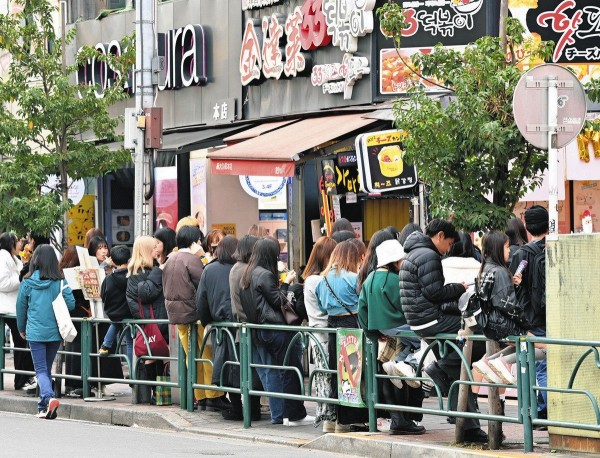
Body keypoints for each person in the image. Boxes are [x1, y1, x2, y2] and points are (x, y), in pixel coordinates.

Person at [399, 219, 488, 444]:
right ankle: (438, 370)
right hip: (429, 319)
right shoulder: (428, 255)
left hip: (419, 319)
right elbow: (435, 293)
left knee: (461, 366)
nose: (448, 249)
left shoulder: (413, 252)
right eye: (448, 243)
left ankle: (469, 426)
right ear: (439, 236)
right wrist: (459, 288)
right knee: (476, 336)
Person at [239, 237, 313, 426]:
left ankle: (284, 415)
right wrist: (288, 283)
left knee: (278, 371)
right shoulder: (264, 275)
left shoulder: (248, 273)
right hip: (276, 330)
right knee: (290, 370)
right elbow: (279, 301)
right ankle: (294, 415)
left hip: (262, 330)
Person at [358, 239, 425, 435]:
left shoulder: (369, 279)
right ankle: (403, 363)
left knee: (408, 348)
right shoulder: (395, 280)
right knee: (426, 342)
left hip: (381, 331)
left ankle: (398, 362)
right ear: (395, 262)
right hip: (401, 326)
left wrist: (373, 334)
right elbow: (409, 306)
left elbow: (362, 310)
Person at [162, 225, 227, 411]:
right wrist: (203, 258)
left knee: (191, 356)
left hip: (176, 315)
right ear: (193, 242)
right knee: (206, 355)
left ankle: (200, 395)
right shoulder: (192, 260)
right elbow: (204, 284)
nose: (201, 244)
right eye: (199, 241)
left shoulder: (170, 260)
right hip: (194, 315)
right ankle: (213, 395)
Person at [16, 245, 76, 418]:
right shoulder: (60, 282)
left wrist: (21, 328)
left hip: (35, 332)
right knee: (46, 369)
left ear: (35, 259)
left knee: (41, 370)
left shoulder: (27, 282)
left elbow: (20, 307)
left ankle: (48, 397)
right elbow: (71, 304)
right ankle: (43, 408)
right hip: (55, 332)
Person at [315, 240, 368, 433]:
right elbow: (362, 302)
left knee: (337, 373)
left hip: (332, 326)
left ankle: (333, 419)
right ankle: (347, 420)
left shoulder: (323, 280)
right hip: (352, 325)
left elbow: (321, 307)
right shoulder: (354, 278)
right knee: (352, 374)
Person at [509, 205, 548, 425]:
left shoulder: (521, 254)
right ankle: (548, 408)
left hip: (532, 319)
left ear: (528, 226)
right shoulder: (554, 247)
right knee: (548, 365)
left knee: (537, 366)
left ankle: (542, 412)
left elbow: (515, 288)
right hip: (555, 315)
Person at [196, 235, 239, 416]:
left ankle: (236, 407)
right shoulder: (241, 268)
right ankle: (246, 409)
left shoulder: (209, 270)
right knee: (241, 365)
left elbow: (201, 301)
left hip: (220, 326)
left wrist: (208, 322)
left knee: (225, 365)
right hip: (241, 325)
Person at [126, 236, 169, 404]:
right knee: (154, 355)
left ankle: (160, 393)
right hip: (152, 323)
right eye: (153, 247)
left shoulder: (146, 269)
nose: (157, 249)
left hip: (154, 322)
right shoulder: (139, 273)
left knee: (158, 356)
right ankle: (156, 393)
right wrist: (159, 271)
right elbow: (146, 294)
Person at [301, 236, 337, 431]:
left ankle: (327, 418)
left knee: (324, 376)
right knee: (327, 376)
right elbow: (328, 308)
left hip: (317, 333)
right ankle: (329, 418)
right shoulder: (318, 280)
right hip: (324, 333)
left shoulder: (310, 280)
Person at [228, 235, 263, 421]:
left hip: (241, 328)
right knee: (253, 373)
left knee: (248, 373)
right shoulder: (248, 270)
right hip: (250, 327)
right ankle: (252, 413)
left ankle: (251, 412)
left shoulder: (235, 268)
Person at [0, 232, 35, 391]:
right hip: (7, 307)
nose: (20, 244)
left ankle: (23, 377)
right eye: (17, 241)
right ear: (10, 243)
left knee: (23, 341)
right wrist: (21, 279)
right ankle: (21, 378)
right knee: (21, 341)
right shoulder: (3, 257)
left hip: (15, 305)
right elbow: (3, 283)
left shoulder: (13, 258)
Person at [99, 245, 134, 365]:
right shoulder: (132, 277)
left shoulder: (109, 279)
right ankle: (132, 372)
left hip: (115, 312)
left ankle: (106, 345)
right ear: (129, 259)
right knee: (130, 342)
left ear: (113, 261)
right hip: (130, 313)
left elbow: (103, 294)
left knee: (116, 322)